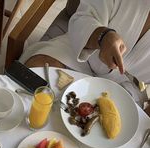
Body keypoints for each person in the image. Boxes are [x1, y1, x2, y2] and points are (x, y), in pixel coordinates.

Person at [20, 0, 150, 115]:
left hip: (125, 90)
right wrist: (102, 36)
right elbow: (83, 17)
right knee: (33, 78)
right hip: (79, 54)